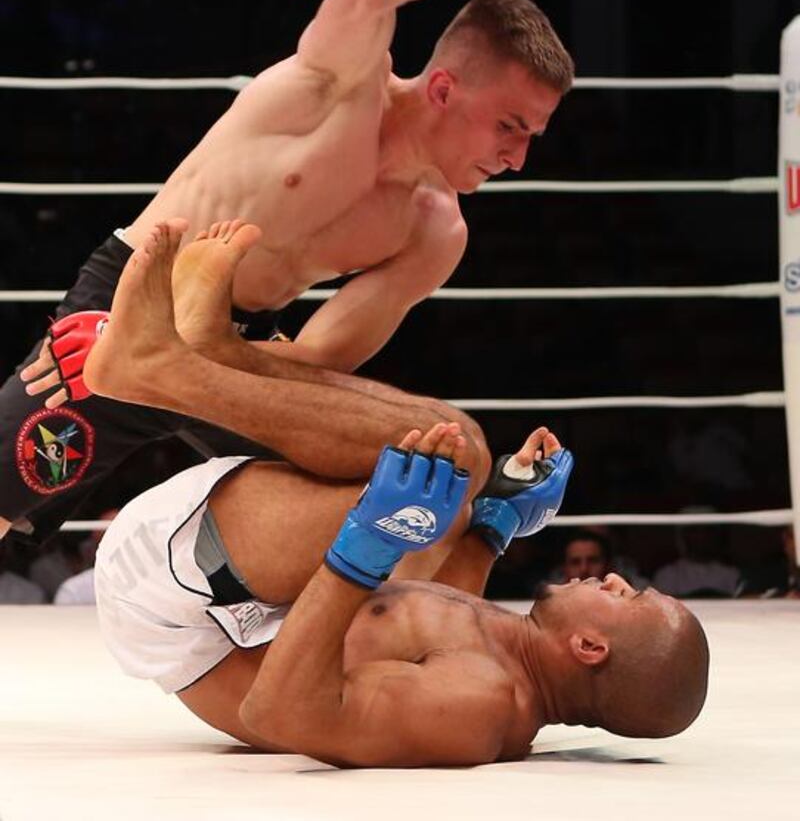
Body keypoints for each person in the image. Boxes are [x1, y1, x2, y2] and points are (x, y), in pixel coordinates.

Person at [1, 0, 579, 545]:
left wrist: (197, 355)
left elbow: (317, 361)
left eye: (532, 138)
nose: (517, 159)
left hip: (239, 350)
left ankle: (271, 634)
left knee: (404, 481)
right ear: (442, 87)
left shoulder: (435, 231)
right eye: (509, 126)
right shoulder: (341, 87)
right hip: (133, 297)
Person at [90, 219, 709, 768]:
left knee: (456, 460)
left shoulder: (478, 710)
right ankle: (214, 353)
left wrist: (365, 545)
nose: (616, 580)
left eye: (630, 598)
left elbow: (280, 713)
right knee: (462, 463)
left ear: (591, 648)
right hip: (222, 577)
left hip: (182, 603)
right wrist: (496, 522)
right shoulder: (507, 663)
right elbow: (416, 614)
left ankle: (161, 371)